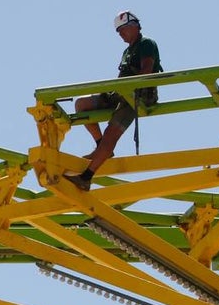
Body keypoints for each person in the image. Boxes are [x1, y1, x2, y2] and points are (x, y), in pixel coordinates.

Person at [65, 10, 162, 191]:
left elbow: (147, 70)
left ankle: (87, 177)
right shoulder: (127, 51)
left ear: (134, 26)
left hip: (139, 94)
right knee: (82, 104)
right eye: (118, 31)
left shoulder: (146, 44)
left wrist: (129, 89)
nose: (120, 34)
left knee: (112, 132)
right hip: (122, 91)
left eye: (123, 29)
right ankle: (102, 147)